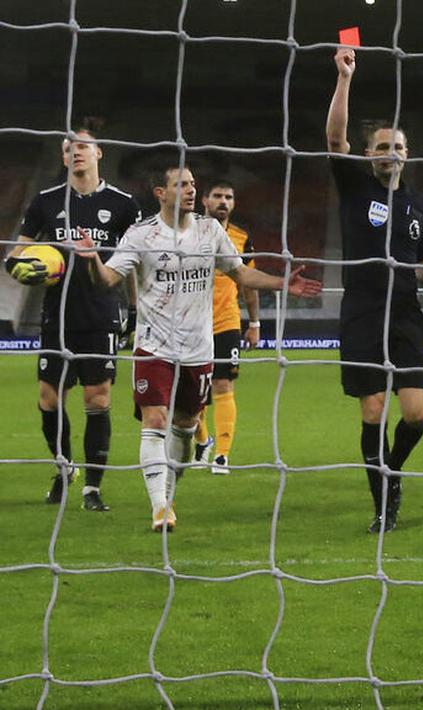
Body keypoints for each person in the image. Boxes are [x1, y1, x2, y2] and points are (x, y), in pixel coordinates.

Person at [73, 164, 320, 532]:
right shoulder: (142, 236)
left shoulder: (210, 231)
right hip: (153, 346)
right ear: (161, 192)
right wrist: (93, 259)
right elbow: (108, 278)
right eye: (181, 184)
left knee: (186, 430)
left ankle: (168, 496)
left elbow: (240, 273)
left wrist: (283, 283)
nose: (191, 190)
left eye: (192, 184)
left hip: (197, 349)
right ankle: (160, 508)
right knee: (155, 421)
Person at [327, 46, 423, 533]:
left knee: (417, 415)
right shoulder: (357, 186)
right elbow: (334, 136)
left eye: (396, 147)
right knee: (374, 408)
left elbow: (422, 261)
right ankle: (384, 504)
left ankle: (391, 468)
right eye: (381, 148)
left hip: (403, 313)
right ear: (369, 156)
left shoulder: (419, 203)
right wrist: (344, 79)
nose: (389, 154)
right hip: (361, 310)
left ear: (406, 153)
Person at [5, 127, 142, 512]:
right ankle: (64, 470)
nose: (76, 153)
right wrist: (17, 266)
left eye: (83, 147)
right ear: (64, 159)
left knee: (97, 398)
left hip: (101, 312)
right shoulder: (46, 202)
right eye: (69, 149)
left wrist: (133, 310)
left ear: (99, 153)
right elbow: (18, 253)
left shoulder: (124, 204)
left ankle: (92, 488)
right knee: (49, 400)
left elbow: (132, 264)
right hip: (57, 314)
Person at [191, 180, 260, 475]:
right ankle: (202, 441)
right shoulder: (188, 232)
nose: (223, 201)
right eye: (217, 196)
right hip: (191, 323)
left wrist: (254, 323)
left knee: (222, 384)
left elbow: (248, 283)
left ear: (234, 203)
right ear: (204, 200)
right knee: (193, 392)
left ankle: (221, 454)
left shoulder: (242, 238)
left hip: (226, 322)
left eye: (228, 197)